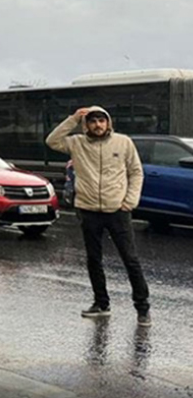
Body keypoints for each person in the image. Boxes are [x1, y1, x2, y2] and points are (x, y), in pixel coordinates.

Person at [46, 106, 151, 326]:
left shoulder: (123, 143)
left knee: (130, 259)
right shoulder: (76, 143)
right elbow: (52, 140)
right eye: (93, 121)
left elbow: (135, 172)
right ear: (86, 125)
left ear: (108, 123)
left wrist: (129, 202)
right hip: (89, 210)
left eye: (101, 120)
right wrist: (74, 118)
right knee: (94, 259)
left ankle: (142, 308)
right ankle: (101, 304)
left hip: (118, 211)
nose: (98, 125)